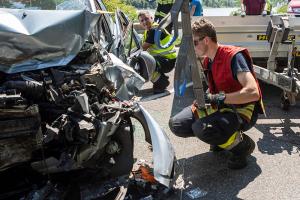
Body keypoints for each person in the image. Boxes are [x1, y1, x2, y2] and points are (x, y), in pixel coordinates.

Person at [169, 18, 265, 169]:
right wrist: (206, 96)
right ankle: (221, 139)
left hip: (241, 110)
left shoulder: (233, 56)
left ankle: (242, 146)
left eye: (194, 43)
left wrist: (218, 97)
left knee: (201, 128)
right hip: (222, 106)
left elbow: (253, 93)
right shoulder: (208, 61)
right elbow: (217, 86)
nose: (192, 47)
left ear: (206, 40)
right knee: (177, 124)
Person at [138, 11, 177, 94]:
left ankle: (161, 83)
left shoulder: (154, 30)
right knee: (143, 59)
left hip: (167, 61)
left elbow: (142, 48)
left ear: (152, 18)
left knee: (143, 62)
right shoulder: (148, 31)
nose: (144, 22)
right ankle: (161, 80)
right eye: (142, 21)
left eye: (146, 19)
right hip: (163, 59)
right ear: (140, 23)